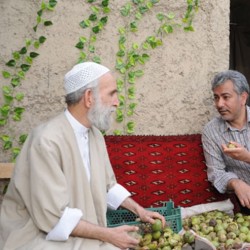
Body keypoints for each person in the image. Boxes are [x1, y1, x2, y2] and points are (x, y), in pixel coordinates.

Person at [0, 62, 165, 250]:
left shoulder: (94, 135)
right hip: (39, 237)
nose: (117, 102)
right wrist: (109, 235)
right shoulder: (46, 140)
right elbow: (54, 218)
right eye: (112, 93)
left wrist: (139, 210)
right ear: (88, 98)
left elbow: (108, 187)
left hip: (80, 231)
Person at [201, 69, 250, 215]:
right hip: (246, 202)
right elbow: (216, 172)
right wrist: (235, 183)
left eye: (225, 97)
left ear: (243, 98)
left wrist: (246, 157)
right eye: (216, 98)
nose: (219, 104)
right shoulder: (211, 131)